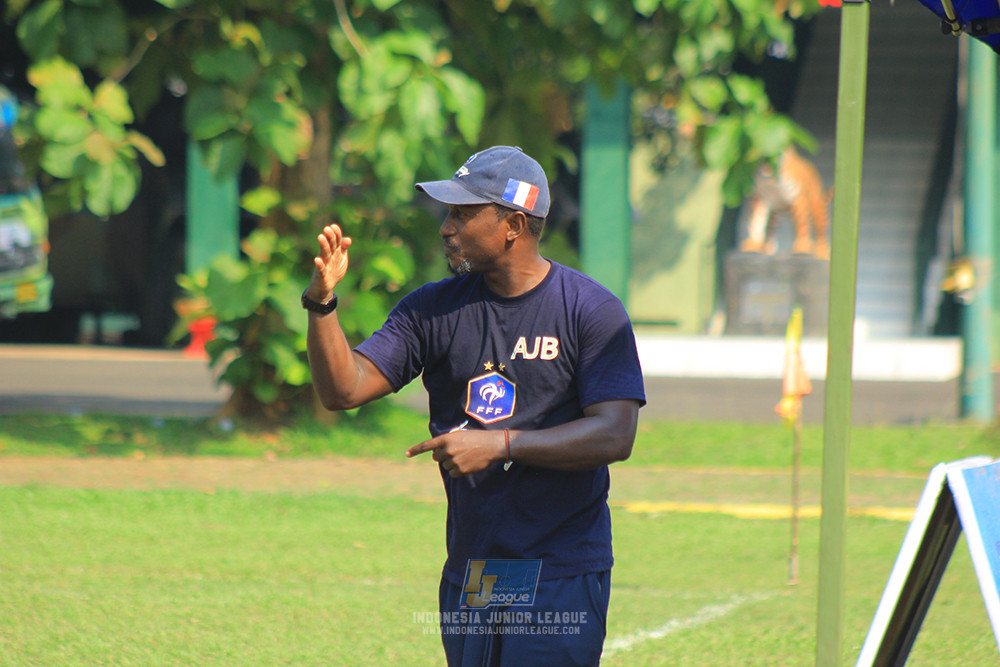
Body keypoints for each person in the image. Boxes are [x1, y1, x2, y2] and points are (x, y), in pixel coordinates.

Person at [304, 145, 645, 666]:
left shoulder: (590, 310)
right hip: (478, 569)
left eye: (463, 214)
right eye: (448, 213)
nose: (446, 227)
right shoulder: (431, 310)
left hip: (560, 566)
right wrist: (323, 305)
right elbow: (343, 390)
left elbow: (614, 435)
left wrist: (500, 444)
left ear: (513, 224)